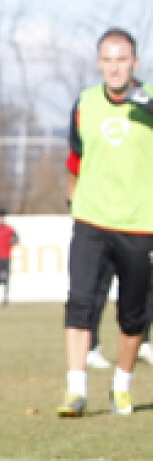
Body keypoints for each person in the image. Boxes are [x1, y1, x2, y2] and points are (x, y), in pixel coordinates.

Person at [59, 26, 153, 417]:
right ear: (99, 63)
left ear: (135, 62)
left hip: (139, 223)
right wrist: (72, 200)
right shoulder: (85, 103)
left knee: (132, 315)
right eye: (108, 60)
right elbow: (75, 159)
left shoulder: (150, 104)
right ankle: (75, 390)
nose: (115, 67)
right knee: (80, 301)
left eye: (122, 60)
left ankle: (122, 386)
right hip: (91, 219)